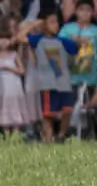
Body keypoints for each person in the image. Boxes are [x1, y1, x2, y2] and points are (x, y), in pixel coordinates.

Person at [24, 9, 77, 141]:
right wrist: (33, 24)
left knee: (67, 110)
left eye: (57, 22)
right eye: (52, 22)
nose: (56, 25)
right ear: (44, 25)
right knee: (48, 114)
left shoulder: (63, 41)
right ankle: (48, 140)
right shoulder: (38, 40)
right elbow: (19, 37)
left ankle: (61, 135)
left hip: (64, 82)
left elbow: (76, 51)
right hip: (47, 83)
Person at [0, 29, 32, 137]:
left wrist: (9, 68)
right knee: (3, 110)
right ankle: (6, 135)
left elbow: (22, 71)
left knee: (15, 108)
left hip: (13, 85)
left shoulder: (14, 54)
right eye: (0, 40)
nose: (3, 42)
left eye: (6, 40)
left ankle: (15, 135)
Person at [59, 0, 97, 96]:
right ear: (76, 11)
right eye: (81, 9)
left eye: (88, 10)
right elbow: (59, 44)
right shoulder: (67, 28)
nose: (85, 13)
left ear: (93, 12)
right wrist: (73, 41)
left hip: (91, 76)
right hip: (70, 77)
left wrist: (88, 44)